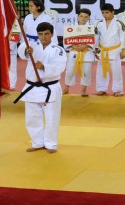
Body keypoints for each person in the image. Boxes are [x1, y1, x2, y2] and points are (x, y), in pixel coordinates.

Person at [15, 22, 66, 154]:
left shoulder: (58, 50)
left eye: (46, 34)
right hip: (32, 87)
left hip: (50, 87)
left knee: (51, 118)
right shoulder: (32, 46)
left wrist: (44, 67)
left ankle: (51, 144)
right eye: (40, 34)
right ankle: (37, 142)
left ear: (52, 34)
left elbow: (60, 67)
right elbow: (22, 51)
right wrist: (26, 51)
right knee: (32, 117)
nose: (43, 37)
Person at [94, 3, 125, 97]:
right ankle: (101, 88)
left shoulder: (119, 23)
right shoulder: (99, 23)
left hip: (115, 50)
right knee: (101, 70)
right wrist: (95, 48)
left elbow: (122, 37)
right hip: (102, 49)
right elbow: (96, 37)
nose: (105, 15)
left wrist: (123, 49)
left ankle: (118, 90)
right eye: (103, 12)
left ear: (113, 12)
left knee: (116, 71)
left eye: (107, 12)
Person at [63, 8, 95, 96]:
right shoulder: (71, 27)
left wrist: (86, 45)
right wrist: (73, 46)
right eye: (81, 16)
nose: (83, 18)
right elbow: (66, 39)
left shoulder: (91, 28)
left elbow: (95, 40)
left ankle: (84, 90)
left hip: (86, 52)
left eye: (86, 17)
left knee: (86, 72)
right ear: (77, 17)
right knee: (69, 71)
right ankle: (66, 87)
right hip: (74, 51)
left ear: (89, 18)